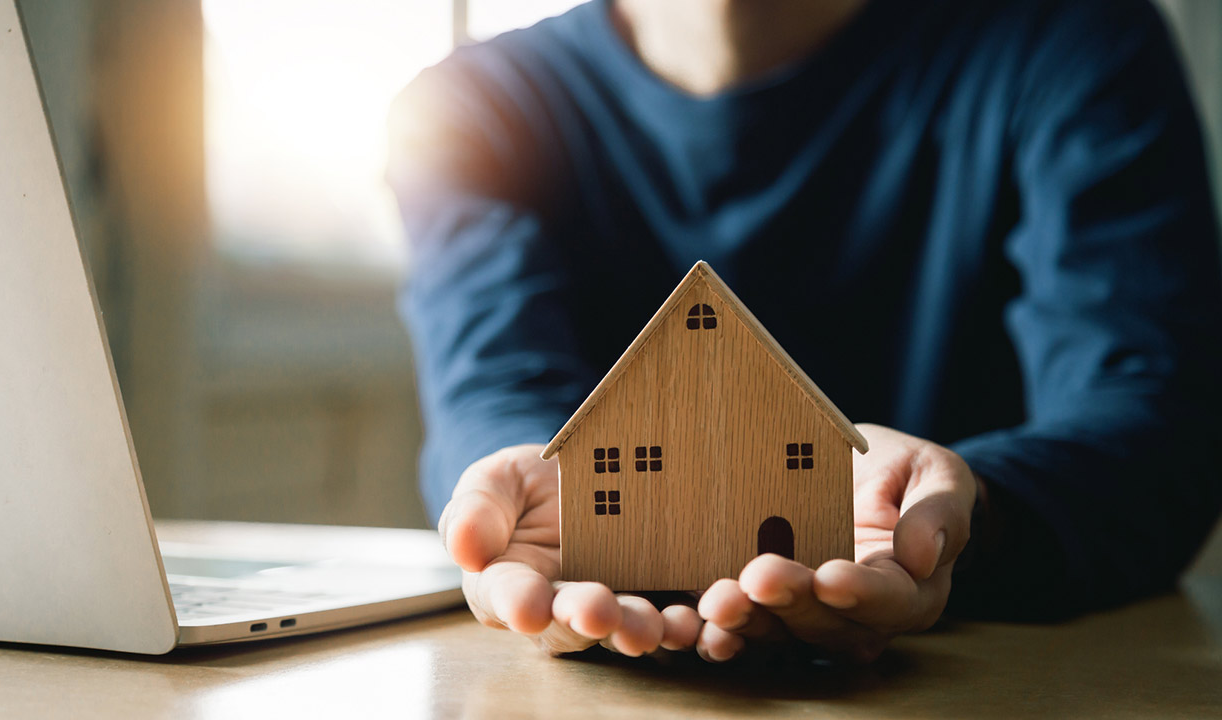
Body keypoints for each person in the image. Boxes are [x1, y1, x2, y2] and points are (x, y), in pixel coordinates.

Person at [386, 0, 1222, 662]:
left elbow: (1155, 422)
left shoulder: (1074, 39)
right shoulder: (467, 109)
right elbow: (493, 386)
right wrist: (518, 493)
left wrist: (961, 515)